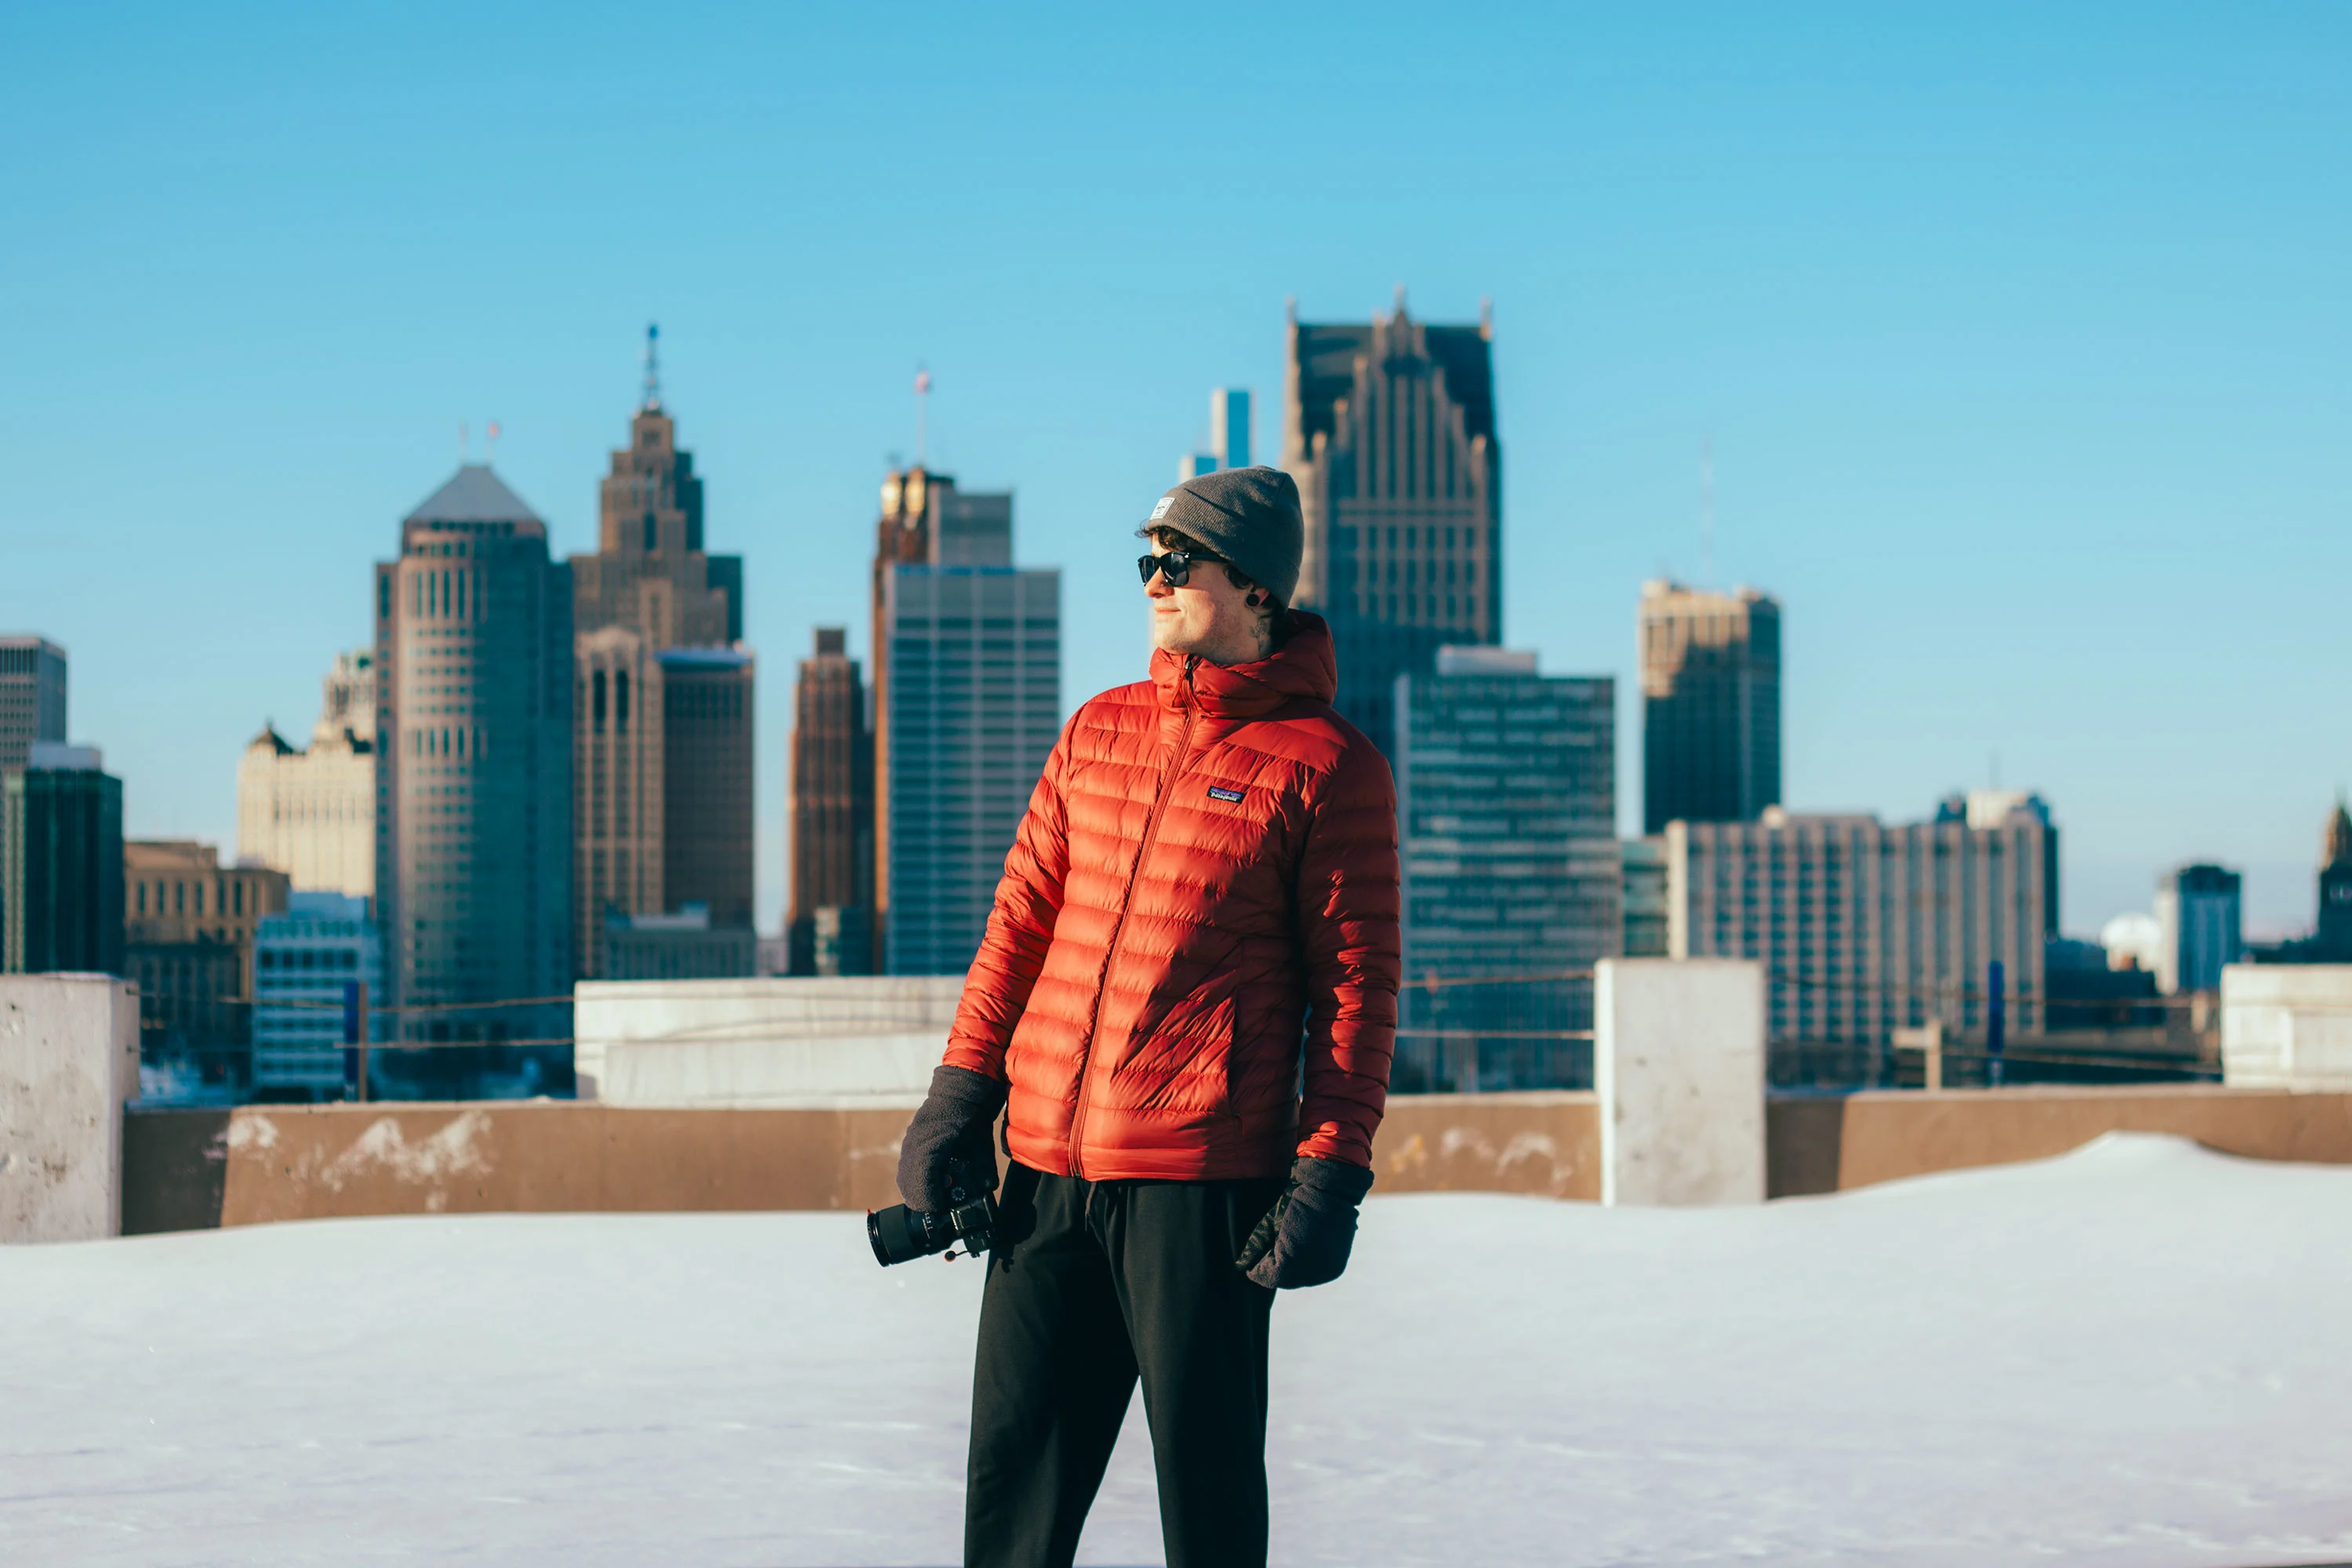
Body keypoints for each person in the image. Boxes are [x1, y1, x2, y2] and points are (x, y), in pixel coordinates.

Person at [895, 465, 1401, 1568]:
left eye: (1181, 562)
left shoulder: (1329, 767)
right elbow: (1018, 928)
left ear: (1257, 586)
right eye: (1149, 562)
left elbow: (1357, 994)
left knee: (1207, 1506)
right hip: (1045, 1177)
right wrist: (959, 1096)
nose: (1155, 582)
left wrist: (1331, 1172)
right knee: (1011, 1497)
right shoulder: (1098, 730)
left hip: (1202, 1189)